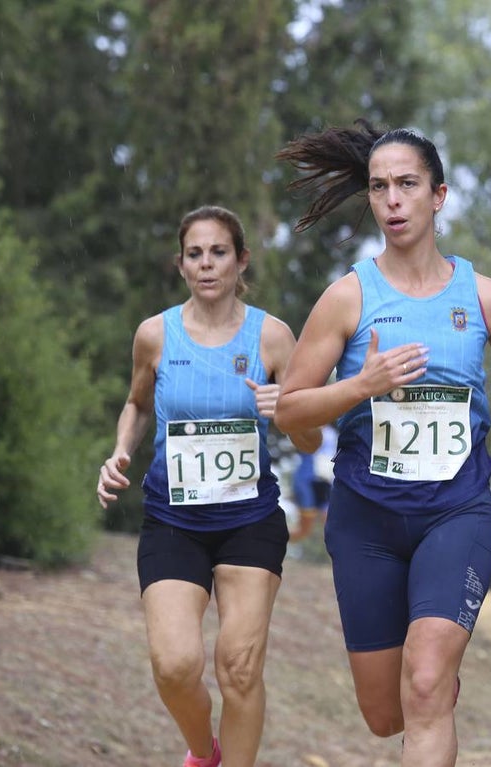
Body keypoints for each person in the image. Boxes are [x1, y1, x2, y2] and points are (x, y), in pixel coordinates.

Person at [272, 120, 491, 767]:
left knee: (427, 683)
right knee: (386, 714)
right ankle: (427, 692)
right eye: (380, 187)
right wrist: (362, 384)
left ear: (439, 195)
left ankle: (434, 685)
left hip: (455, 513)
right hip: (366, 519)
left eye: (407, 184)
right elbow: (292, 411)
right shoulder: (348, 298)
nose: (393, 200)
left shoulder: (485, 297)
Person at [96, 205, 322, 767]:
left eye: (218, 252)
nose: (206, 264)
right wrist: (121, 449)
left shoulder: (272, 337)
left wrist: (286, 412)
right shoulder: (155, 335)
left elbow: (314, 438)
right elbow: (136, 404)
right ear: (180, 264)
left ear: (241, 259)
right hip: (174, 520)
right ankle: (204, 751)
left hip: (249, 519)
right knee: (175, 666)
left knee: (240, 667)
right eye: (194, 254)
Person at [290, 422, 338, 543]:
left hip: (326, 482)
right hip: (307, 480)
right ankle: (271, 541)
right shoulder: (307, 429)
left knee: (332, 528)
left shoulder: (333, 433)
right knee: (304, 529)